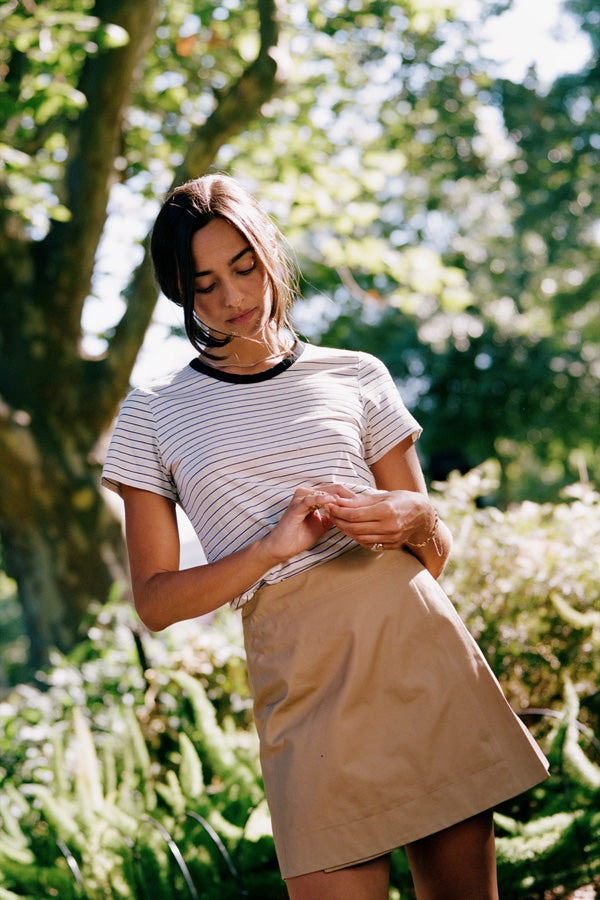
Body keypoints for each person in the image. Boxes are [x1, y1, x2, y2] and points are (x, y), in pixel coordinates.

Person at [102, 173, 548, 900]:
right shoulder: (154, 413)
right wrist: (268, 549)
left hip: (415, 651)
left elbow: (431, 554)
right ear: (180, 294)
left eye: (244, 267)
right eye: (204, 284)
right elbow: (154, 602)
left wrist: (417, 518)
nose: (231, 298)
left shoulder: (357, 374)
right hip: (302, 684)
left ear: (270, 250)